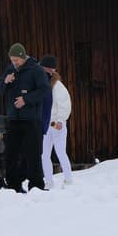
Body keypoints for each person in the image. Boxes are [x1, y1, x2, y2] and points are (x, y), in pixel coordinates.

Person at [0, 43, 50, 192]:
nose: (14, 63)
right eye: (12, 60)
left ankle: (36, 185)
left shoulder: (36, 70)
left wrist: (26, 99)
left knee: (33, 153)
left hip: (31, 118)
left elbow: (44, 90)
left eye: (16, 60)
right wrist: (5, 82)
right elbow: (0, 89)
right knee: (11, 153)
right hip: (14, 118)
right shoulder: (11, 70)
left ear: (22, 57)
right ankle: (13, 185)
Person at [40, 55, 73, 188]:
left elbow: (65, 103)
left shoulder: (57, 85)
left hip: (56, 123)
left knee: (60, 152)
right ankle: (48, 181)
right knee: (45, 154)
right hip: (46, 124)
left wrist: (60, 120)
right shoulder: (42, 83)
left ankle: (68, 179)